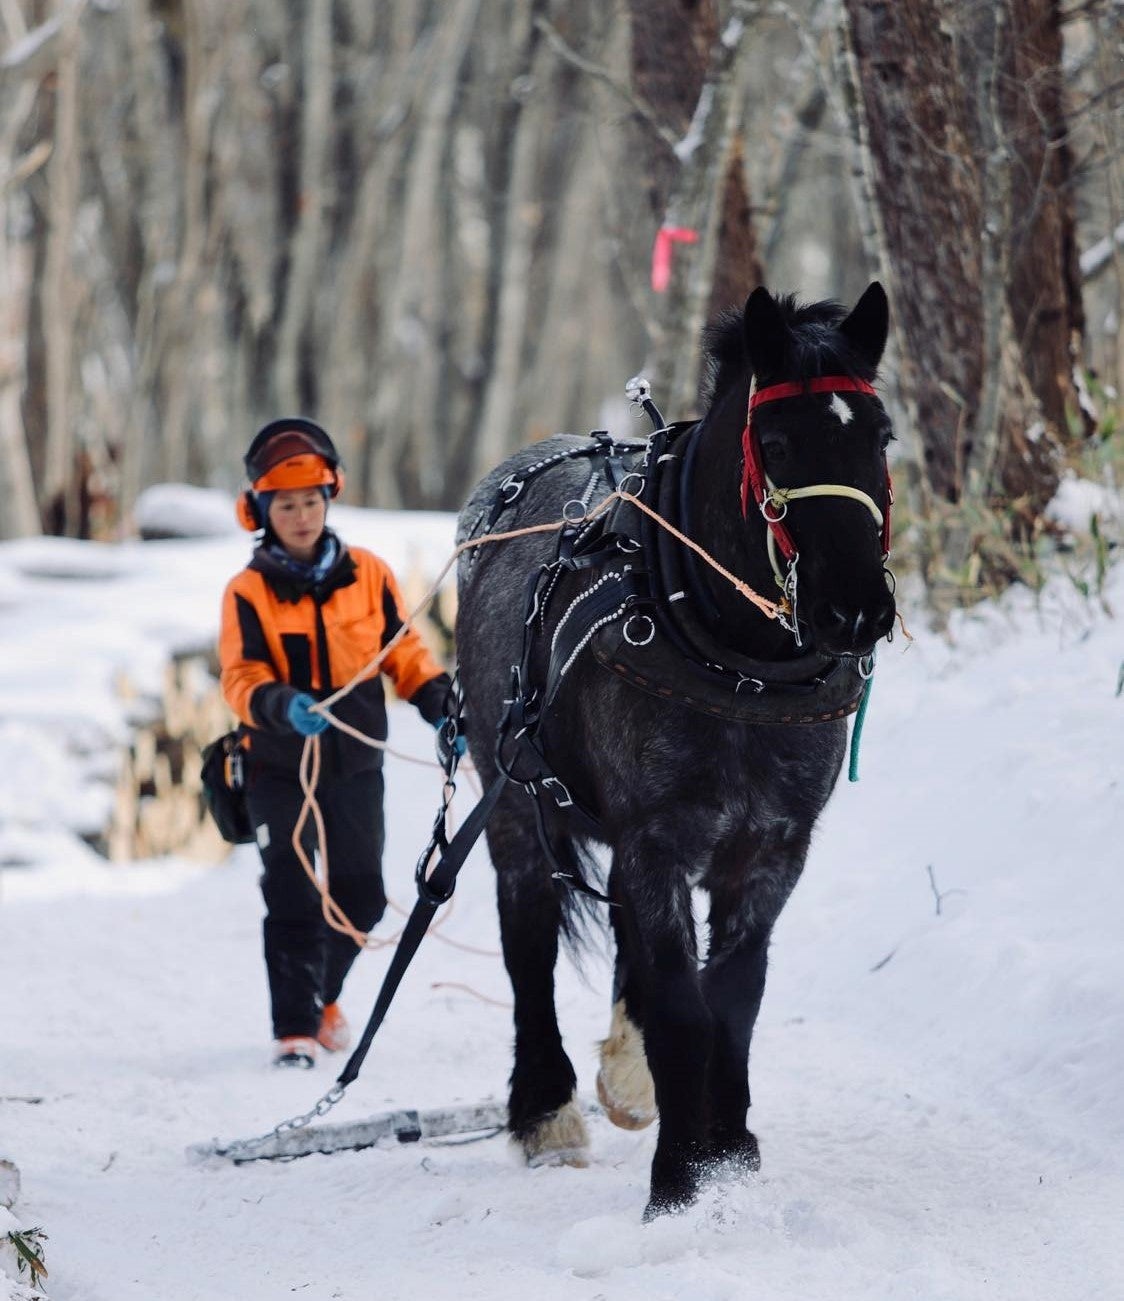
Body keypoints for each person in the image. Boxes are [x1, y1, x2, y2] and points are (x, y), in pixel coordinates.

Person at [219, 417, 455, 1068]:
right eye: (286, 505)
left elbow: (403, 650)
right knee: (292, 892)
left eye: (311, 501)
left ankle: (319, 991)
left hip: (354, 760)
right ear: (260, 512)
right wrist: (277, 702)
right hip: (275, 760)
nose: (301, 515)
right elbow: (239, 675)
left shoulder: (370, 574)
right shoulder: (248, 591)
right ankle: (295, 1029)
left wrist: (437, 700)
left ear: (331, 498)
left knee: (361, 896)